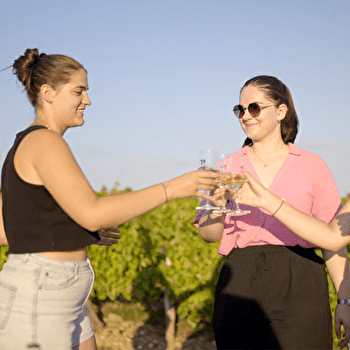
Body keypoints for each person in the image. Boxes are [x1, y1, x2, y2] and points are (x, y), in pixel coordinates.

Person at [0, 48, 219, 350]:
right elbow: (93, 212)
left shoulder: (28, 142)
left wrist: (70, 230)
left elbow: (7, 228)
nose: (87, 100)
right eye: (79, 91)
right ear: (48, 94)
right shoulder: (44, 141)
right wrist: (173, 188)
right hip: (41, 294)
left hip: (59, 293)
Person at [194, 75, 350, 349]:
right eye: (239, 110)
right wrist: (217, 206)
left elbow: (333, 241)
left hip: (300, 281)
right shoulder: (227, 165)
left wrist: (345, 301)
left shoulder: (313, 166)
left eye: (254, 108)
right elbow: (208, 234)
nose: (245, 116)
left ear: (281, 111)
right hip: (240, 282)